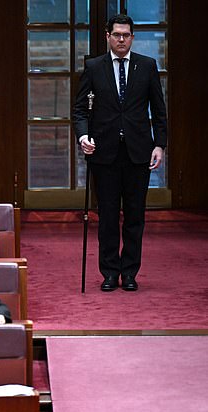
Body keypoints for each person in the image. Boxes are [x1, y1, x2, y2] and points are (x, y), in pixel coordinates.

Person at [73, 14, 167, 292]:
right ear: (108, 36)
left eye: (126, 35)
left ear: (132, 37)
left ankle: (130, 272)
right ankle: (110, 272)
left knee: (135, 216)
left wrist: (159, 144)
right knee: (109, 216)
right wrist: (83, 136)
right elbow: (80, 110)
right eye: (117, 35)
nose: (122, 39)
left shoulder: (147, 66)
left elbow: (159, 111)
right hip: (105, 153)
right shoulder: (94, 67)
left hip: (138, 152)